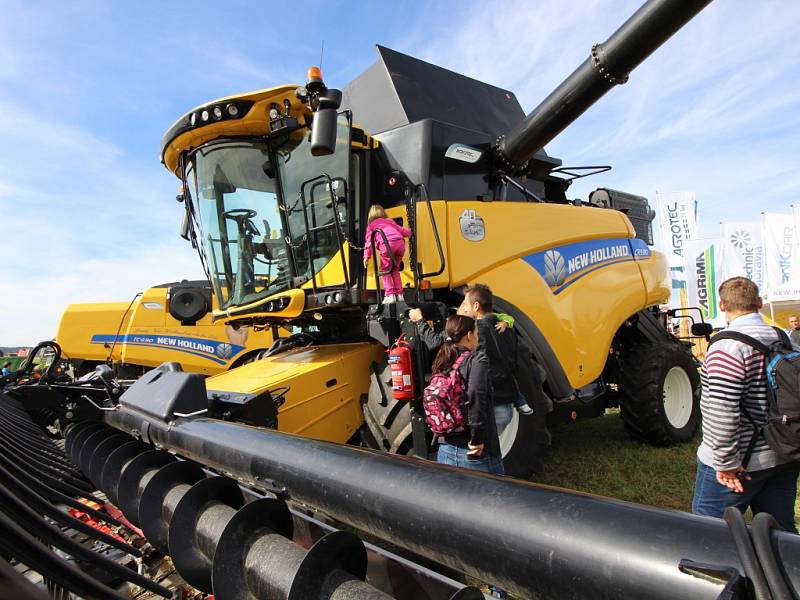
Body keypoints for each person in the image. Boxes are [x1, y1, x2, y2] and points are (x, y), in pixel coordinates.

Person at [692, 276, 800, 533]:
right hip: (783, 452)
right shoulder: (784, 338)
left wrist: (726, 462)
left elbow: (721, 409)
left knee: (709, 534)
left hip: (740, 463)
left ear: (722, 305)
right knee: (780, 534)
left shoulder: (727, 347)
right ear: (759, 303)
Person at [430, 315, 503, 474]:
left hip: (445, 448)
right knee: (492, 498)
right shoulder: (477, 359)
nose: (477, 338)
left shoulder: (442, 359)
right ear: (469, 336)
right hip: (474, 453)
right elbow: (476, 394)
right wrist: (477, 439)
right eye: (476, 334)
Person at [362, 205, 412, 304]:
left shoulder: (371, 226)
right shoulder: (389, 221)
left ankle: (390, 295)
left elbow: (369, 242)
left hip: (388, 245)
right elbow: (402, 230)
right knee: (395, 270)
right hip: (400, 244)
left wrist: (366, 256)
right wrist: (411, 233)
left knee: (385, 270)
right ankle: (400, 295)